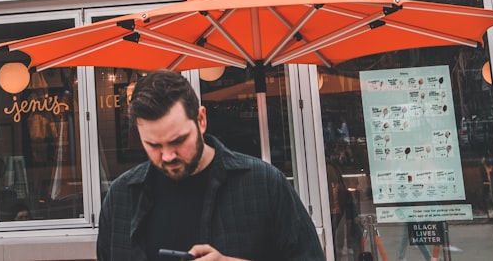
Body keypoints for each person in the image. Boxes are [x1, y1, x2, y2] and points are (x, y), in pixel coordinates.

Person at [96, 70, 325, 261]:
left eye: (178, 141)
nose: (167, 156)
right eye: (153, 145)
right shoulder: (120, 198)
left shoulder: (264, 184)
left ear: (201, 120)